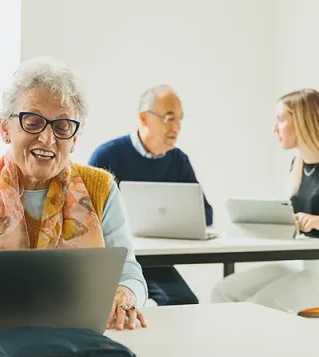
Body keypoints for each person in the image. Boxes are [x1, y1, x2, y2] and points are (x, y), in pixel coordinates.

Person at [0, 56, 148, 330]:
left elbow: (129, 272)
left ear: (74, 139)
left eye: (62, 126)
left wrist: (126, 294)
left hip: (79, 338)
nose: (47, 138)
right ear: (6, 128)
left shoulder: (101, 189)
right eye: (32, 121)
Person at [88, 84, 212, 306]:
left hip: (157, 261)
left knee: (185, 303)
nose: (177, 127)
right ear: (144, 118)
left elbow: (205, 215)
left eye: (181, 119)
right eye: (169, 117)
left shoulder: (178, 160)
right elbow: (85, 217)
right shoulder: (107, 156)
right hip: (116, 263)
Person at [211, 88, 319, 313]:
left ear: (302, 121)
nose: (274, 128)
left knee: (260, 307)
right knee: (223, 291)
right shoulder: (298, 166)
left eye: (281, 120)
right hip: (302, 260)